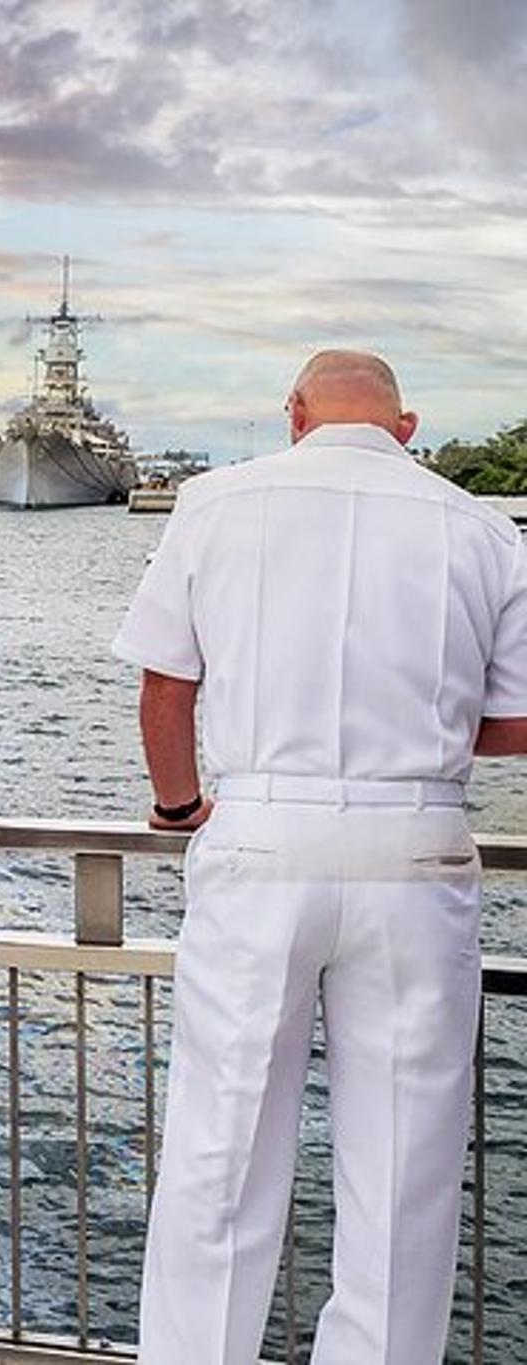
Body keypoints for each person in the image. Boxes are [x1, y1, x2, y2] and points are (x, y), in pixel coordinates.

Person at [121, 351, 527, 1363]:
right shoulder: (478, 524)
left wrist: (179, 804)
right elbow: (515, 724)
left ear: (292, 413)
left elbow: (166, 686)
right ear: (406, 425)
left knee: (221, 1143)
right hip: (414, 846)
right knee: (402, 1165)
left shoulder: (213, 503)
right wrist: (420, 735)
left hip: (259, 838)